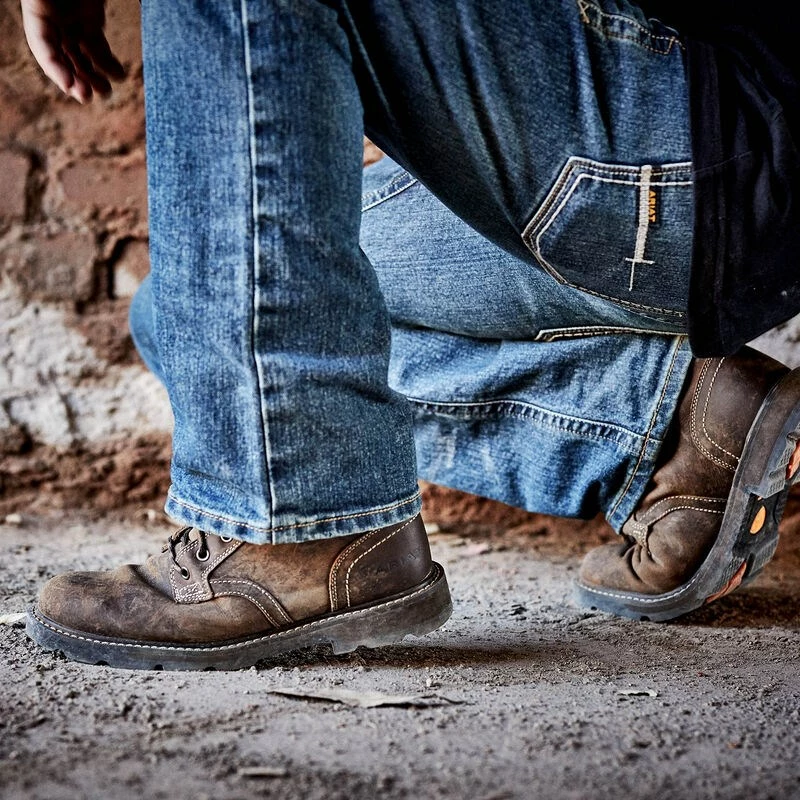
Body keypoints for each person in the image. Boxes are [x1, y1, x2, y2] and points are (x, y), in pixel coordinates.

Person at [20, 0, 800, 670]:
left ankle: (291, 527)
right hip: (706, 172)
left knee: (234, 300)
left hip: (701, 148)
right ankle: (671, 429)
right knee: (188, 312)